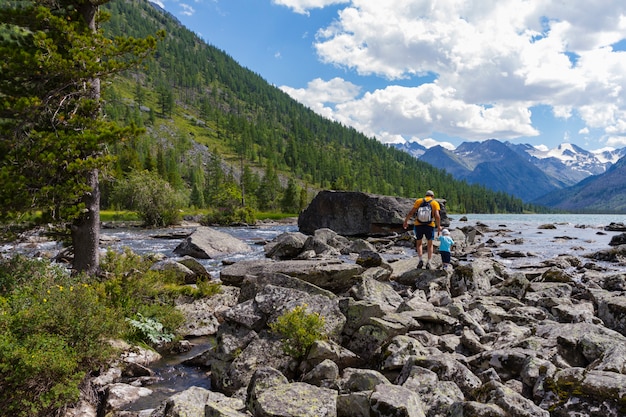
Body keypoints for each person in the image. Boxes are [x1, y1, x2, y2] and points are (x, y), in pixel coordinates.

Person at [403, 190, 442, 269]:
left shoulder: (419, 201)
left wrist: (405, 221)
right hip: (430, 225)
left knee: (419, 243)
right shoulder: (435, 203)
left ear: (425, 195)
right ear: (432, 196)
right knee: (430, 244)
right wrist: (438, 227)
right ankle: (429, 262)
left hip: (418, 225)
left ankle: (420, 260)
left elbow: (411, 212)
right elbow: (437, 216)